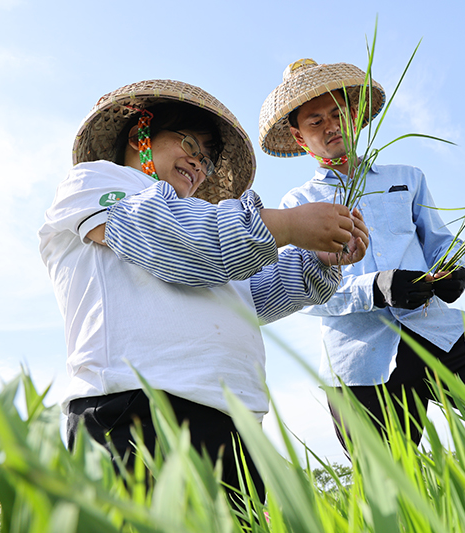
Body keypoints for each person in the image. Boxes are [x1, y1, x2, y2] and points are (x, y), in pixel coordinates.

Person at [38, 79, 368, 507]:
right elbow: (167, 237)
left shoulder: (210, 229)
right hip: (136, 409)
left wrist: (319, 261)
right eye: (191, 145)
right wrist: (287, 226)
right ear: (142, 132)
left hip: (232, 425)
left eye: (207, 161)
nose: (199, 164)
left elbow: (256, 298)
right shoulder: (95, 183)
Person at [259, 60, 465, 454]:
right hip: (360, 357)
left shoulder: (406, 177)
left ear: (355, 117)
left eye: (338, 114)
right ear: (300, 139)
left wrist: (455, 269)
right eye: (315, 122)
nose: (331, 126)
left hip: (436, 327)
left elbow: (440, 243)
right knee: (388, 483)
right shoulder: (298, 205)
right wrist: (376, 288)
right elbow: (299, 291)